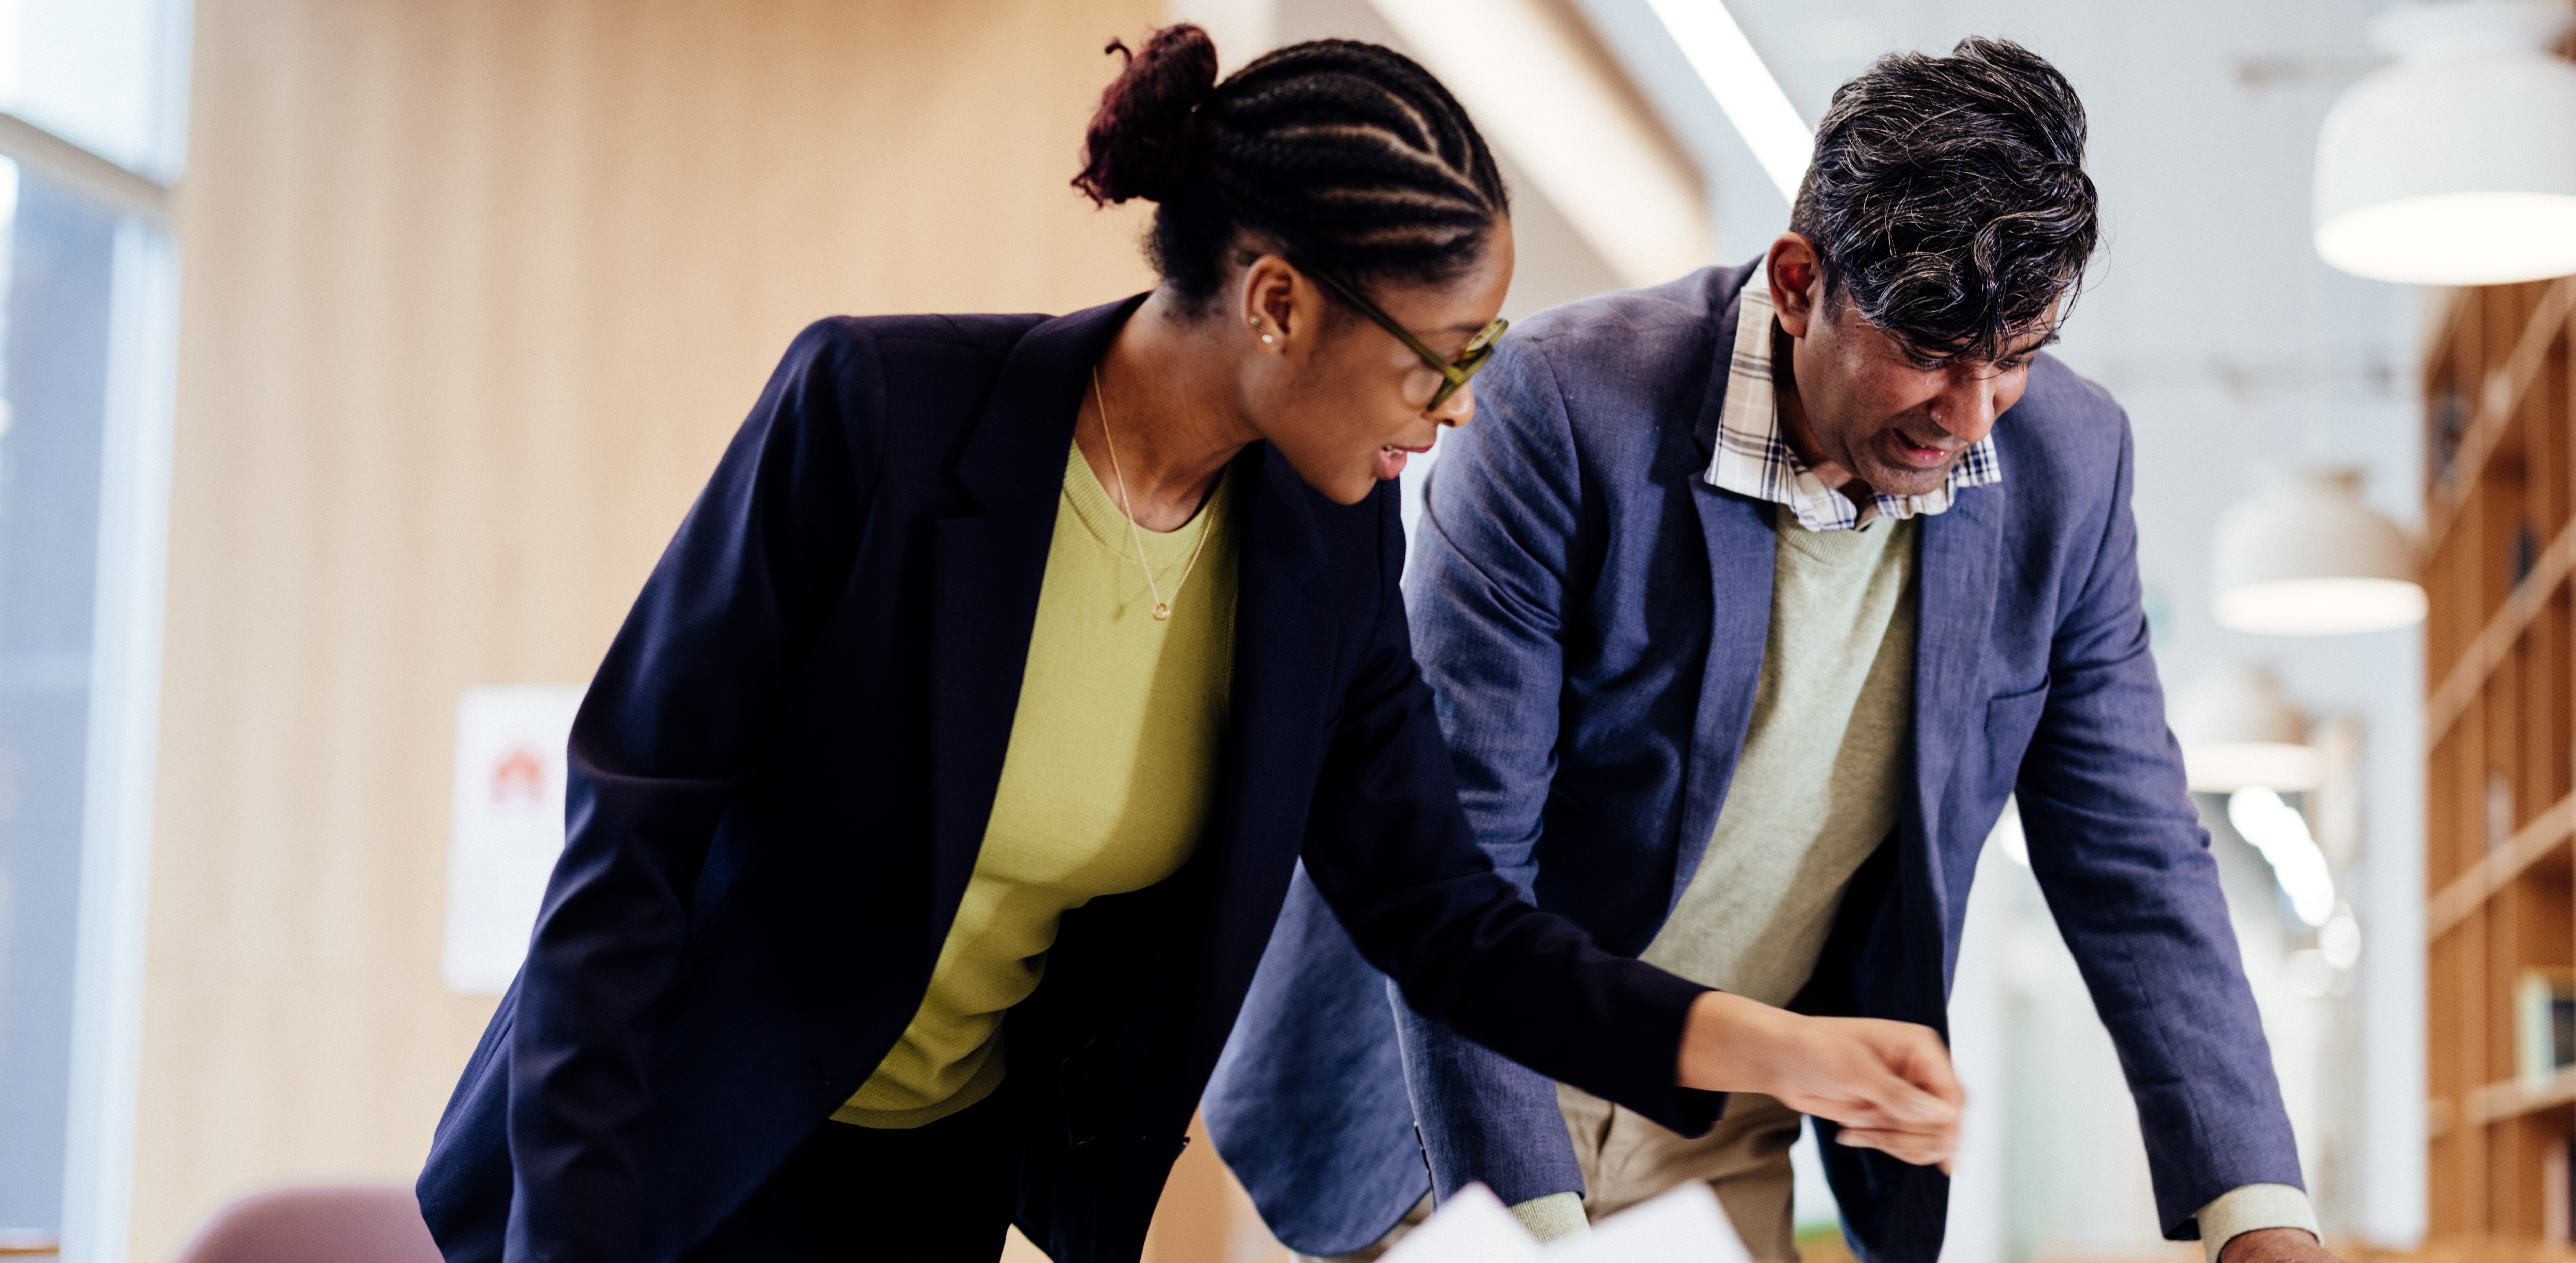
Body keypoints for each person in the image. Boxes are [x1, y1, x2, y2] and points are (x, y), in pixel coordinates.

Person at [412, 26, 1970, 1263]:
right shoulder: (875, 422)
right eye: (1444, 359)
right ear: (1279, 305)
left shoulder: (1321, 541)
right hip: (663, 1159)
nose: (1461, 412)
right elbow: (629, 842)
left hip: (929, 1189)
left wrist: (1761, 1043)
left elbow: (1439, 911)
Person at [1209, 36, 2340, 1263]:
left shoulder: (2069, 467)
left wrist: (2258, 1218)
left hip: (1721, 1116)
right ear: (1799, 282)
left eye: (2013, 361)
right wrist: (1529, 1238)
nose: (1969, 421)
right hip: (1442, 1099)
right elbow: (1469, 844)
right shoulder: (1563, 408)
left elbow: (2135, 857)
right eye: (1929, 350)